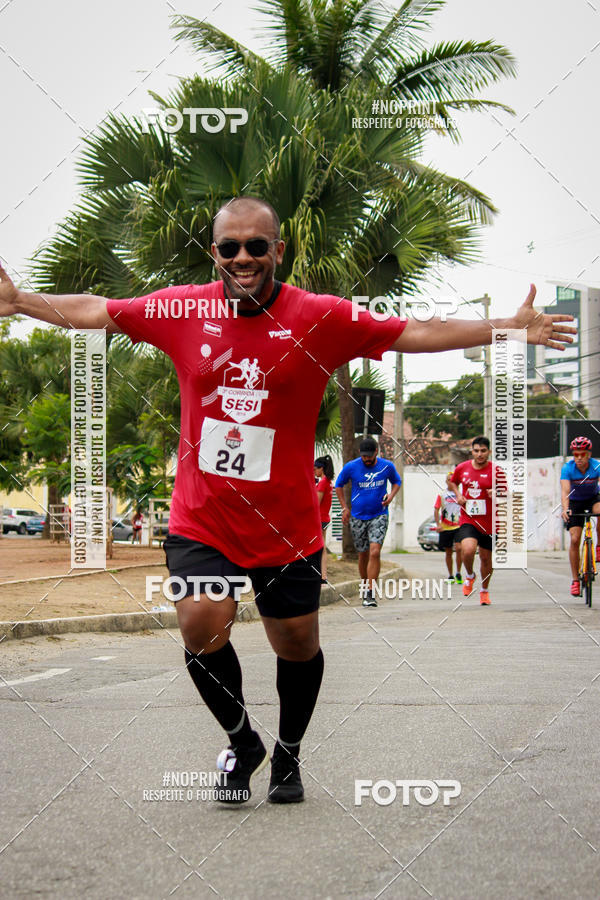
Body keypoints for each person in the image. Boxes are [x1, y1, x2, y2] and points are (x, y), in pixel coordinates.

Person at [0, 195, 575, 806]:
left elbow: (416, 331)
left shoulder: (319, 317)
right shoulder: (177, 309)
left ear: (278, 249)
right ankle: (243, 741)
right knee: (199, 621)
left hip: (287, 526)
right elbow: (98, 310)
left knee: (295, 644)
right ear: (214, 253)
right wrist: (21, 304)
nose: (243, 257)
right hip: (204, 518)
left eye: (256, 246)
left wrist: (507, 327)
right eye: (229, 247)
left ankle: (288, 755)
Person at [334, 438, 401, 607]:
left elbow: (397, 482)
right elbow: (338, 485)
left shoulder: (387, 466)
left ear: (376, 452)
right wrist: (344, 508)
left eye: (370, 456)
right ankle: (365, 587)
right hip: (357, 516)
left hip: (379, 514)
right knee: (363, 554)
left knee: (375, 552)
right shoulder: (351, 466)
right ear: (360, 455)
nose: (367, 459)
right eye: (364, 457)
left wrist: (391, 496)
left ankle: (370, 591)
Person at [448, 436, 505, 606]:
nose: (480, 454)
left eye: (483, 451)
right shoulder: (462, 468)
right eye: (476, 451)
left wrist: (496, 494)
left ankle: (484, 591)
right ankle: (470, 575)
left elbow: (506, 494)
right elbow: (453, 483)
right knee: (467, 550)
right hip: (469, 519)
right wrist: (458, 495)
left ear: (489, 452)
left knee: (487, 559)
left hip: (490, 521)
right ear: (471, 451)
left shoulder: (496, 471)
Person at [560, 436, 600, 597]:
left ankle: (598, 547)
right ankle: (575, 580)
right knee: (575, 539)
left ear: (588, 455)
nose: (579, 458)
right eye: (576, 455)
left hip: (593, 499)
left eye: (582, 455)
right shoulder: (567, 468)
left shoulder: (596, 466)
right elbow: (565, 491)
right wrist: (565, 509)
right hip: (575, 502)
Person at [433, 473, 463, 584]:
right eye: (449, 480)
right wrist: (438, 524)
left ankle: (458, 572)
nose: (451, 482)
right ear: (446, 482)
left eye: (453, 480)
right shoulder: (442, 494)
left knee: (459, 548)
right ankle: (450, 575)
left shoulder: (462, 494)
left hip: (459, 526)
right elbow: (436, 509)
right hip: (446, 527)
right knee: (448, 551)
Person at [314, 455, 334, 584]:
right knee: (322, 547)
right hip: (325, 517)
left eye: (315, 468)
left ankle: (321, 575)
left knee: (318, 548)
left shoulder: (322, 483)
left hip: (319, 518)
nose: (314, 471)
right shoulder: (329, 482)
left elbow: (316, 502)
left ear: (321, 468)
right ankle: (323, 575)